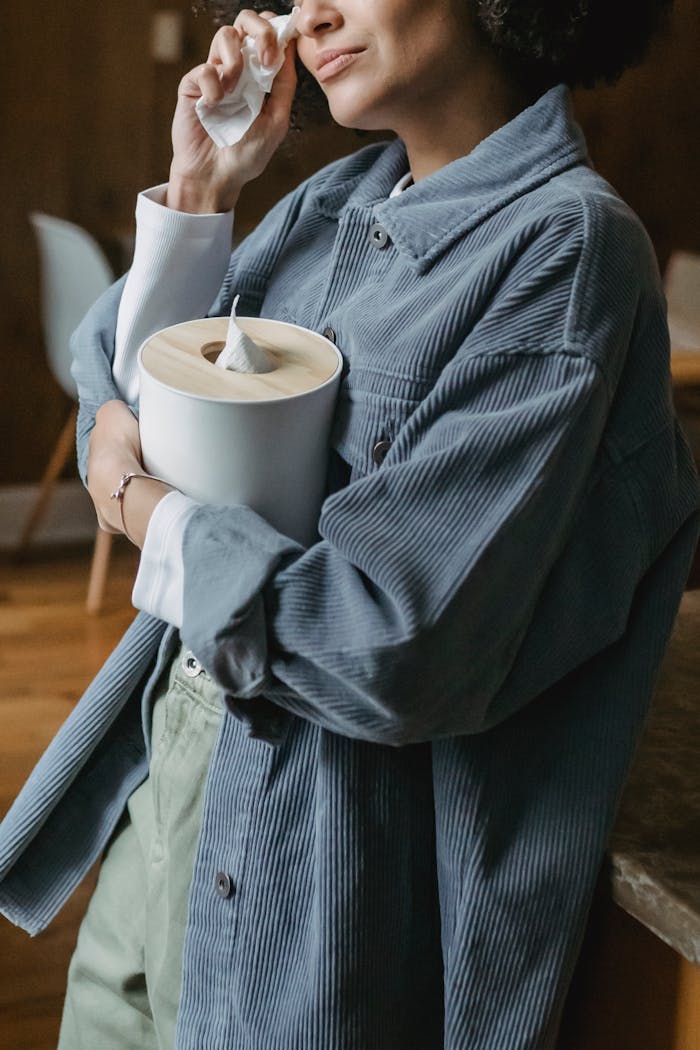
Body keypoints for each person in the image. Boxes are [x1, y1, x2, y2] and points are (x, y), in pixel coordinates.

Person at [1, 0, 698, 1047]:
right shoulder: (343, 196)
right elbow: (127, 381)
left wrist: (144, 507)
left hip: (326, 867)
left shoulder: (566, 254)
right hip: (169, 781)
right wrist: (202, 189)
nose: (313, 12)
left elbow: (387, 646)